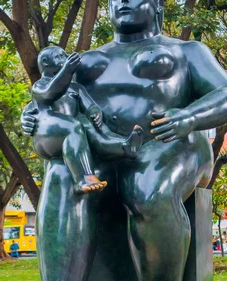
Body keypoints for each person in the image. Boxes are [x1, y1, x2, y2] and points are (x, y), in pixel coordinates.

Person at [21, 0, 227, 281]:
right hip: (106, 146)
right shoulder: (87, 60)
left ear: (156, 5)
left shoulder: (185, 51)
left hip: (171, 140)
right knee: (61, 175)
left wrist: (187, 117)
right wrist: (34, 114)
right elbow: (57, 99)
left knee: (148, 188)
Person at [29, 45, 144, 194]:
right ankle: (84, 178)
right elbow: (50, 93)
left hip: (74, 129)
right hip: (48, 134)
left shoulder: (75, 88)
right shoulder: (41, 85)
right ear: (45, 62)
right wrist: (67, 71)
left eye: (65, 55)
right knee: (73, 126)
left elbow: (90, 105)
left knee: (89, 125)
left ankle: (123, 146)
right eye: (59, 57)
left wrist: (95, 113)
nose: (65, 59)